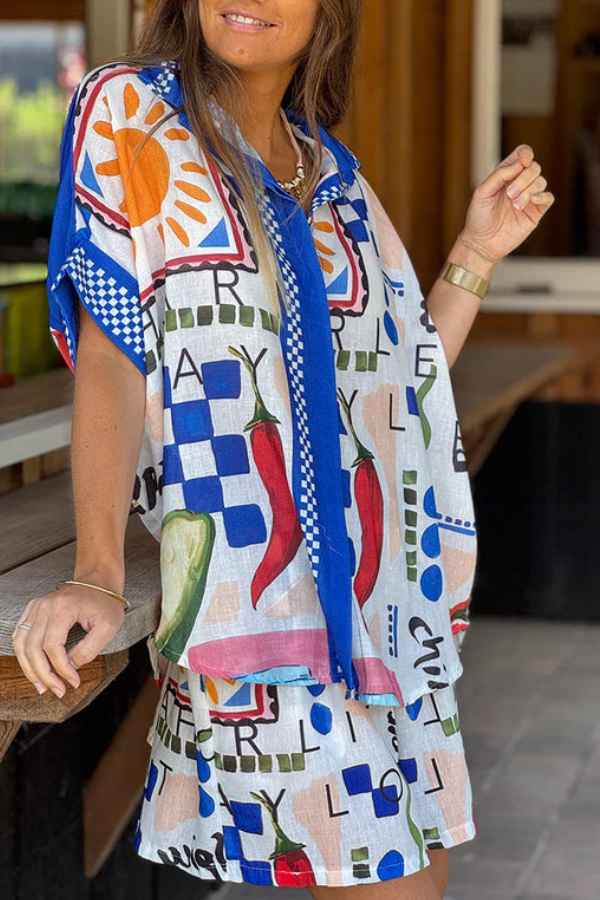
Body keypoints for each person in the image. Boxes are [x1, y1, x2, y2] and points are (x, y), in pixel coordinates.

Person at [12, 1, 554, 896]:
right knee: (395, 881)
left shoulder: (336, 181)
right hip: (253, 606)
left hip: (375, 614)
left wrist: (475, 253)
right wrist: (98, 572)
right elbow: (111, 356)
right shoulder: (131, 113)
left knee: (416, 873)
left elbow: (396, 384)